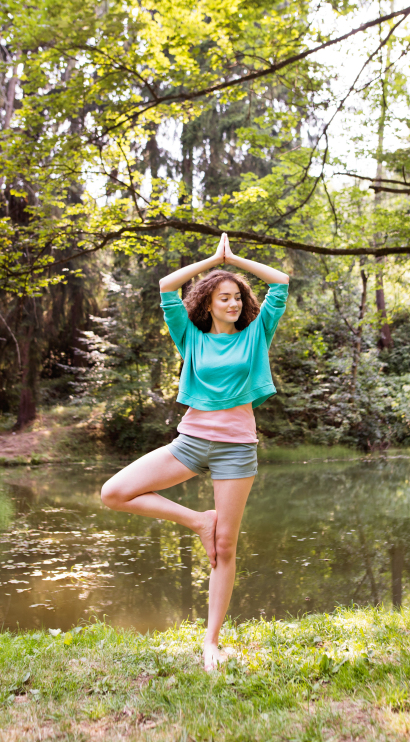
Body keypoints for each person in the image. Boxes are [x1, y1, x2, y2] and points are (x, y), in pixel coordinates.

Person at [100, 233, 289, 669]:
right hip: (190, 442)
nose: (234, 303)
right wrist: (212, 260)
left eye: (238, 297)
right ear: (207, 304)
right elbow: (166, 285)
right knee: (114, 492)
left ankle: (211, 641)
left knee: (226, 546)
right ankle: (197, 521)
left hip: (237, 450)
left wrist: (235, 260)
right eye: (224, 297)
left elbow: (280, 283)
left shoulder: (257, 334)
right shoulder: (190, 337)